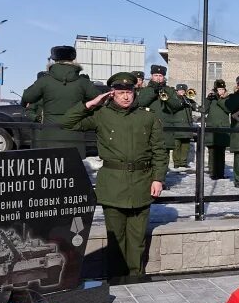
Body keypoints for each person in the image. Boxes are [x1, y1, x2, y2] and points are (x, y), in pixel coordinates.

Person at [61, 72, 167, 276]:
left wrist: (158, 179)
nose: (126, 97)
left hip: (141, 182)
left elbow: (159, 151)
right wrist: (91, 103)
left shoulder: (147, 117)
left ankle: (135, 277)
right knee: (116, 238)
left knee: (137, 239)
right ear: (112, 94)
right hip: (113, 184)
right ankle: (116, 279)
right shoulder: (101, 115)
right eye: (120, 93)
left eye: (129, 92)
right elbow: (67, 122)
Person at [21, 46, 99, 158]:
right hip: (75, 136)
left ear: (54, 60)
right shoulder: (83, 83)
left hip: (49, 136)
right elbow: (100, 100)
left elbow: (27, 97)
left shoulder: (45, 81)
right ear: (73, 59)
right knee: (73, 172)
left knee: (51, 172)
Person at [136, 65, 186, 173]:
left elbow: (177, 105)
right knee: (149, 154)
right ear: (151, 76)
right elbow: (140, 102)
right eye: (156, 75)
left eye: (160, 75)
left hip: (165, 127)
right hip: (149, 126)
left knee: (164, 155)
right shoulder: (146, 90)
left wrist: (167, 98)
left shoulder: (169, 90)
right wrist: (153, 92)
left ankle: (161, 179)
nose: (158, 78)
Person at [203, 79, 230, 179]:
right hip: (212, 128)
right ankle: (213, 173)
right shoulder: (211, 99)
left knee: (221, 153)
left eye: (222, 89)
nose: (221, 91)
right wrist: (208, 99)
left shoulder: (227, 99)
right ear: (215, 89)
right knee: (212, 152)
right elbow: (204, 110)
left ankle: (220, 173)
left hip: (223, 128)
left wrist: (220, 99)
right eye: (219, 89)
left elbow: (228, 109)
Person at [171, 83, 196, 169]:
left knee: (185, 146)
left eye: (183, 91)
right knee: (176, 146)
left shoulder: (188, 100)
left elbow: (195, 107)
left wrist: (190, 99)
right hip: (177, 125)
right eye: (180, 90)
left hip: (187, 126)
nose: (181, 92)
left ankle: (183, 162)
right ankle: (176, 162)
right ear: (177, 91)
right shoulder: (174, 99)